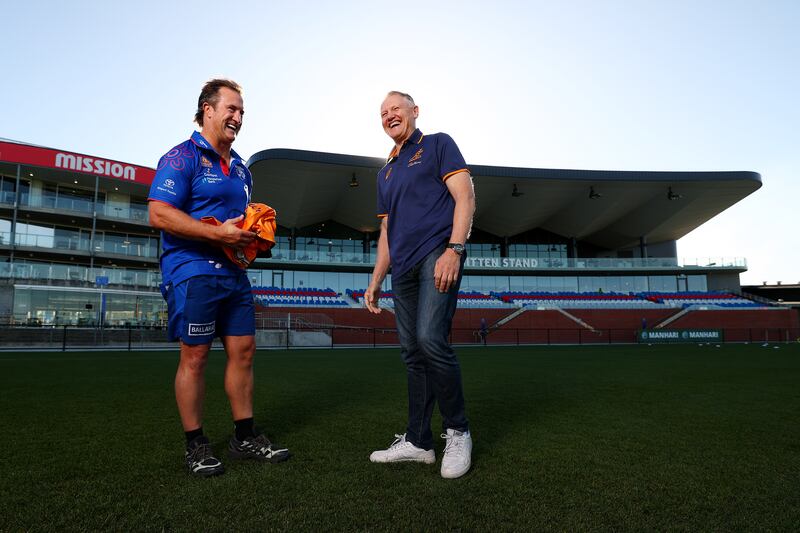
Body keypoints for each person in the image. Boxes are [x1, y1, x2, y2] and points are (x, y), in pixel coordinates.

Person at [148, 79, 289, 477]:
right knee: (195, 356)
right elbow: (159, 214)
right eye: (231, 109)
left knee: (244, 351)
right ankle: (195, 445)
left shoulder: (243, 168)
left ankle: (244, 437)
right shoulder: (181, 157)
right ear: (207, 110)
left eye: (242, 111)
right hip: (191, 269)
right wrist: (217, 234)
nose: (238, 117)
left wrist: (252, 239)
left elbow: (237, 224)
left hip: (233, 272)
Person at [365, 91, 476, 479]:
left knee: (431, 339)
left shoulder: (438, 145)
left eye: (396, 108)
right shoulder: (386, 172)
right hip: (403, 270)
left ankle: (458, 430)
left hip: (437, 255)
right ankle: (418, 442)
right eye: (383, 113)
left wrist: (454, 249)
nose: (389, 115)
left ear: (415, 111)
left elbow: (465, 196)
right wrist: (377, 279)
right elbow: (386, 230)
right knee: (412, 353)